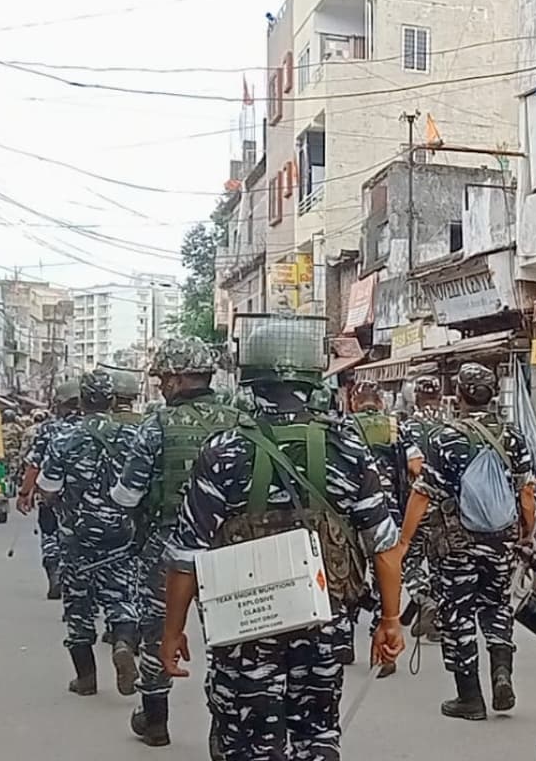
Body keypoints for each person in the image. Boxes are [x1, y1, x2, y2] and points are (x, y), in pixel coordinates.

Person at [159, 315, 405, 761]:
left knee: (247, 741)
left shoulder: (224, 451)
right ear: (313, 376)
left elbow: (187, 555)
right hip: (324, 624)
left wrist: (172, 631)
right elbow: (384, 545)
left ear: (250, 377)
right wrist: (389, 620)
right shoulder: (348, 447)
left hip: (243, 627)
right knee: (316, 735)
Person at [114, 336, 242, 748]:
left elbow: (128, 495)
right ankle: (225, 730)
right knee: (228, 633)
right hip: (231, 546)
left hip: (168, 548)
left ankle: (155, 721)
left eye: (163, 379)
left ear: (175, 379)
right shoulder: (240, 419)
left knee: (157, 632)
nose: (160, 386)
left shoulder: (157, 425)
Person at [398, 362, 536, 720]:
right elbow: (526, 495)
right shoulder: (512, 435)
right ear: (492, 395)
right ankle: (502, 672)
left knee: (457, 615)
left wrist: (404, 541)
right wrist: (527, 535)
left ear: (458, 394)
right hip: (501, 543)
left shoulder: (445, 437)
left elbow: (422, 494)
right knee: (496, 606)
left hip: (457, 546)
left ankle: (470, 698)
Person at [38, 369, 141, 698]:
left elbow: (48, 488)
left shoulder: (64, 438)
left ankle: (86, 679)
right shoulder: (132, 436)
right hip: (121, 534)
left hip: (76, 537)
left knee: (79, 608)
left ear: (81, 401)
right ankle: (123, 643)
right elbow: (141, 487)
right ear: (112, 400)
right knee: (121, 598)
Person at [347, 379, 419, 677]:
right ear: (380, 402)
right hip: (387, 515)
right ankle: (385, 653)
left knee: (348, 575)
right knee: (384, 578)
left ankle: (343, 642)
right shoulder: (396, 428)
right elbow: (417, 466)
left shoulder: (345, 427)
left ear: (354, 402)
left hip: (350, 514)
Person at [19, 381, 82, 599]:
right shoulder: (96, 426)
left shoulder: (50, 429)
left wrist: (24, 493)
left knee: (50, 536)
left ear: (59, 404)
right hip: (89, 499)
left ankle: (54, 571)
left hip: (51, 494)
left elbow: (34, 464)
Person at [399, 374, 446, 640]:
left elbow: (414, 465)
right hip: (447, 511)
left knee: (410, 560)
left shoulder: (408, 428)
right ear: (439, 397)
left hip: (417, 506)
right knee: (440, 565)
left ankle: (423, 598)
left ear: (415, 397)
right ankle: (436, 622)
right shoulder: (450, 426)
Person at [1, 409, 24, 498]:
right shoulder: (18, 428)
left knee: (3, 471)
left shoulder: (0, 427)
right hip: (14, 452)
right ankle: (11, 489)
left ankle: (4, 488)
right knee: (13, 472)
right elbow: (22, 440)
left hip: (3, 452)